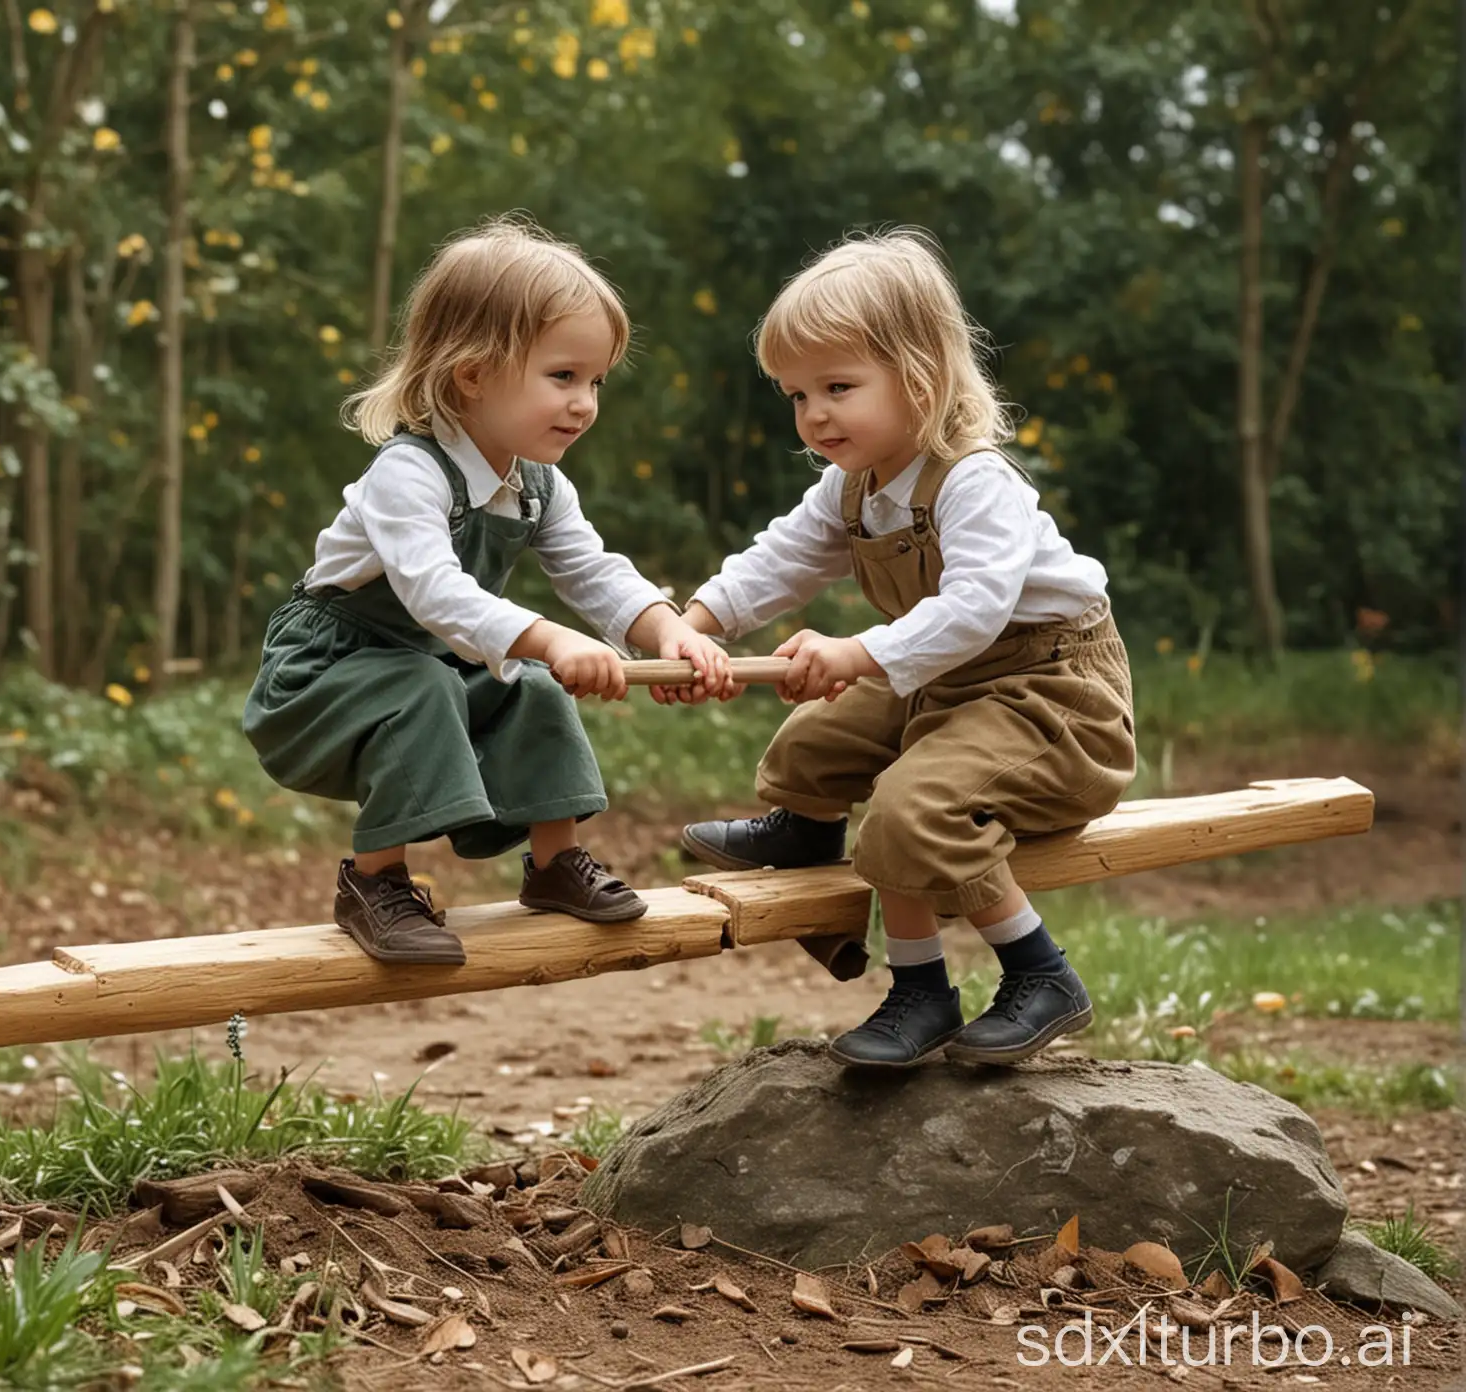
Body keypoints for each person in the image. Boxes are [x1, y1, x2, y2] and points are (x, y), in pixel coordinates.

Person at [677, 229, 1136, 1068]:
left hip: (1052, 697)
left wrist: (856, 653)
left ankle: (1029, 974)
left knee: (909, 808)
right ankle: (809, 835)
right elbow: (780, 559)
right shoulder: (852, 486)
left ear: (921, 374)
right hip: (949, 679)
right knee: (816, 741)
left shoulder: (974, 481)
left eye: (839, 386)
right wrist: (693, 625)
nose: (814, 414)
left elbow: (974, 610)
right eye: (796, 394)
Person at [244, 216, 730, 967]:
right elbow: (433, 590)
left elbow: (593, 570)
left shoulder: (537, 485)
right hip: (323, 679)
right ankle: (374, 883)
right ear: (473, 373)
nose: (585, 403)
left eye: (595, 382)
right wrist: (549, 634)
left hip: (430, 666)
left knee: (534, 688)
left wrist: (666, 630)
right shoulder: (408, 473)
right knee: (422, 686)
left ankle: (553, 862)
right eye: (562, 377)